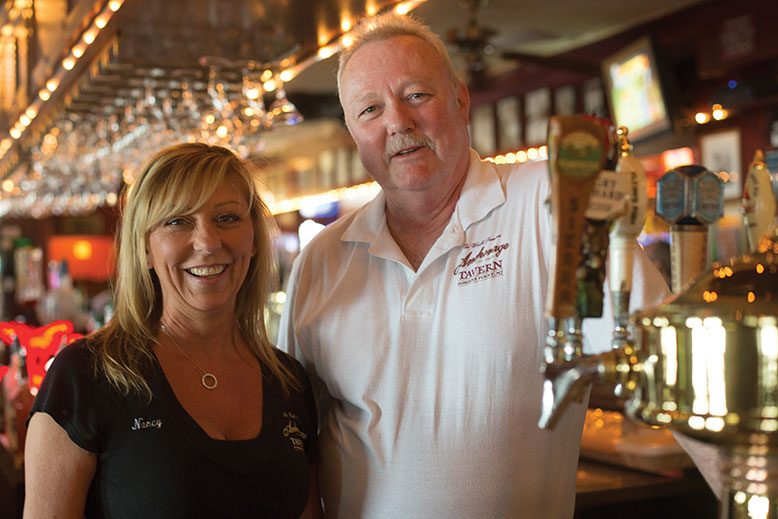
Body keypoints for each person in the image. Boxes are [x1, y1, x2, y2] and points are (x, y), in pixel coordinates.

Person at [278, 13, 720, 518]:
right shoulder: (322, 260)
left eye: (417, 95)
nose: (397, 122)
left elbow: (674, 371)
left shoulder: (552, 205)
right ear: (353, 132)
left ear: (461, 100)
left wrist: (754, 495)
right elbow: (294, 440)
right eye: (370, 109)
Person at [25, 143, 322, 518]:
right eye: (177, 221)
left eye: (227, 218)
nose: (208, 242)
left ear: (254, 240)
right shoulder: (87, 375)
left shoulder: (289, 381)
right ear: (146, 248)